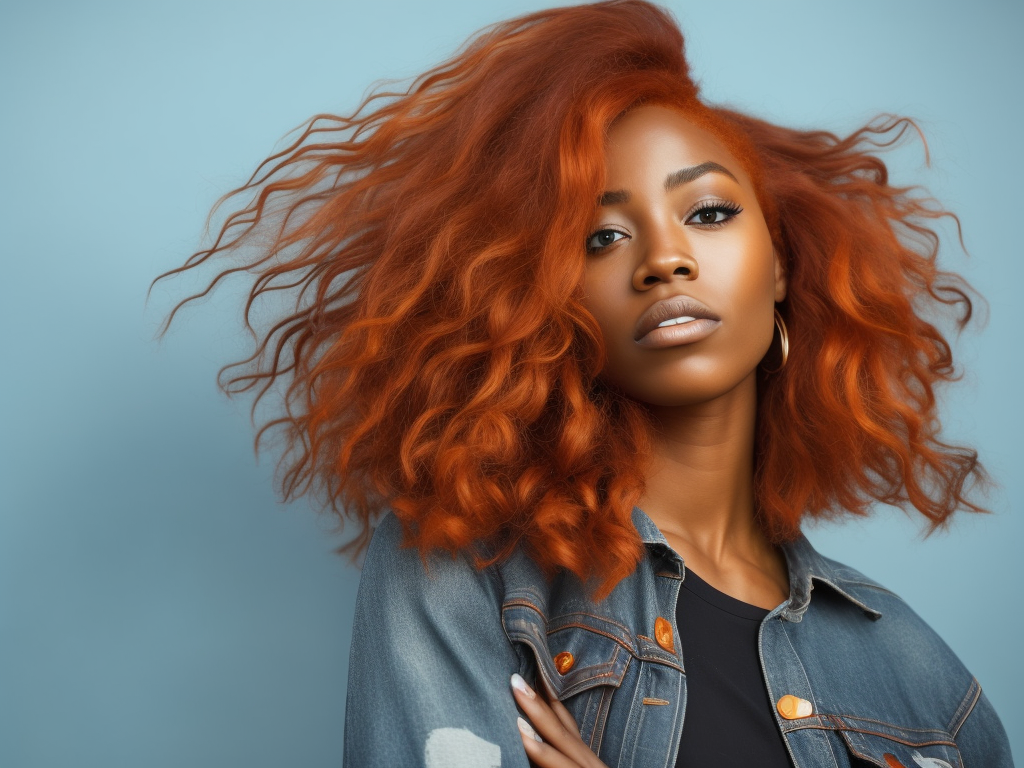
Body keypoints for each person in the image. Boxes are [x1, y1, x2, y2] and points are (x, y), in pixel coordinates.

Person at [155, 1, 1014, 766]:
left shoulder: (923, 681)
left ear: (784, 263)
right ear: (550, 300)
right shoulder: (465, 568)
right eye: (601, 238)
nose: (664, 258)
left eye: (708, 212)